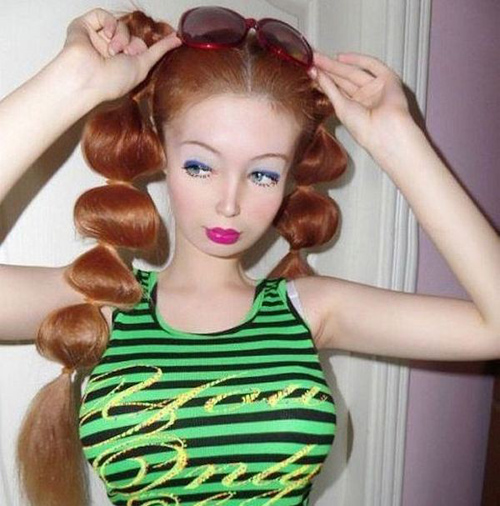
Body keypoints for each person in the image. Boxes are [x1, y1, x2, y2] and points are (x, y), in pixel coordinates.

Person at [0, 6, 498, 506]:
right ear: (161, 151)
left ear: (289, 178)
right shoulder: (106, 303)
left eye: (263, 174)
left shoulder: (308, 309)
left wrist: (397, 139)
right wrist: (73, 82)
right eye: (200, 166)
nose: (229, 203)